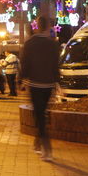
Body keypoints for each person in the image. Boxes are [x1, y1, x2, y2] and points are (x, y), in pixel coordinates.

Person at [20, 16, 61, 162]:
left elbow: (25, 62)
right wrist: (58, 82)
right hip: (49, 85)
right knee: (42, 114)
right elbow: (56, 65)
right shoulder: (53, 44)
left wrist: (22, 80)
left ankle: (46, 147)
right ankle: (38, 143)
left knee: (39, 116)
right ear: (48, 26)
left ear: (37, 26)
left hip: (35, 84)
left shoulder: (30, 43)